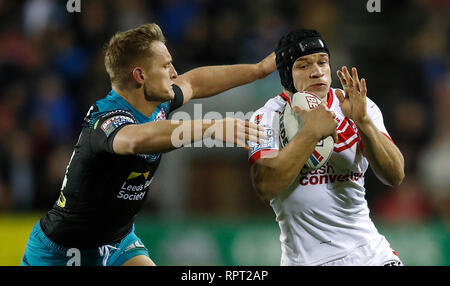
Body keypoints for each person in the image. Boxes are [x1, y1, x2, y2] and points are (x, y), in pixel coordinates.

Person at [21, 23, 275, 266]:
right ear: (140, 75)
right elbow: (136, 140)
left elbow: (194, 82)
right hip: (62, 251)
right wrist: (211, 126)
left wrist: (260, 69)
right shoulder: (107, 119)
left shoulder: (157, 103)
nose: (174, 73)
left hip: (117, 243)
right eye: (166, 66)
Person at [248, 29, 405, 266]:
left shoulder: (355, 104)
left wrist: (363, 123)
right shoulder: (266, 117)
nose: (317, 72)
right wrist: (312, 132)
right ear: (286, 74)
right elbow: (265, 186)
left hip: (370, 253)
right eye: (303, 65)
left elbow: (395, 175)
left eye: (323, 62)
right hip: (307, 260)